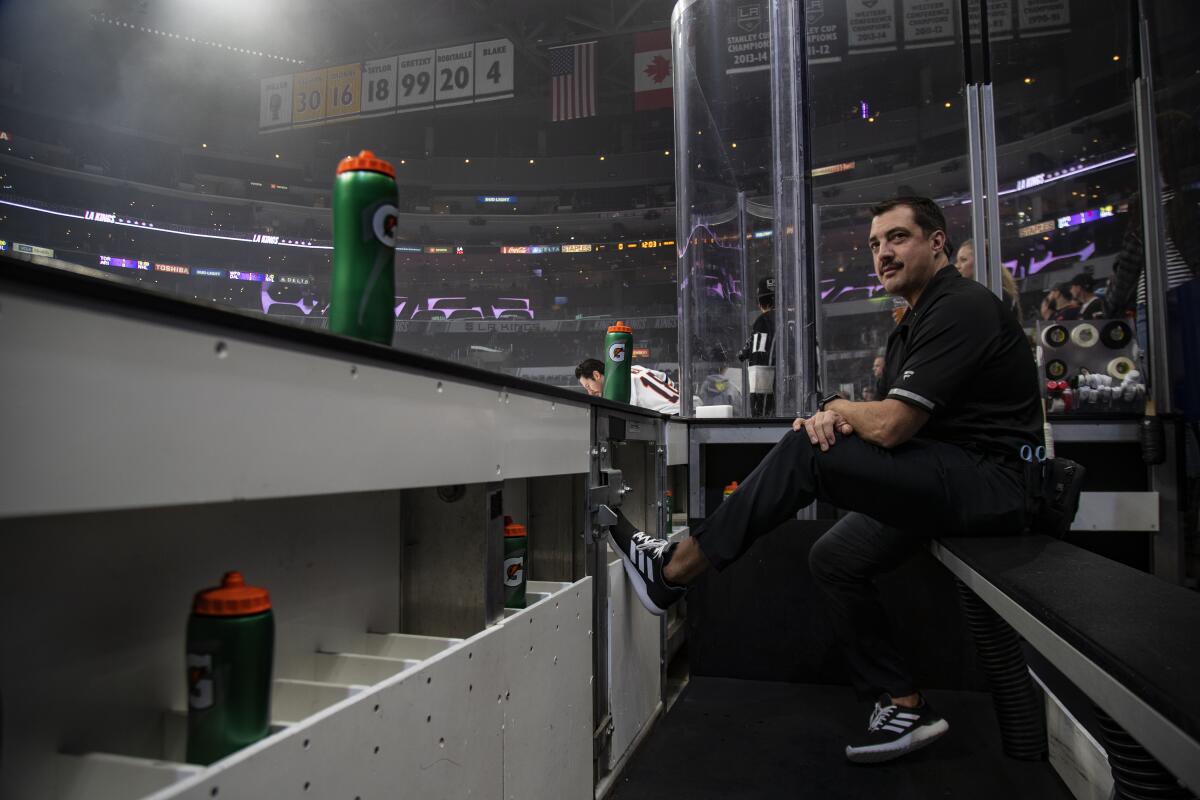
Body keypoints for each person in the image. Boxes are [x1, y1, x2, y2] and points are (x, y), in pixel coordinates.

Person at [603, 196, 1061, 764]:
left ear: (937, 241)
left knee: (809, 453)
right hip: (952, 474)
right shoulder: (910, 324)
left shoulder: (961, 306)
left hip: (996, 484)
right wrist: (835, 419)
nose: (883, 254)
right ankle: (902, 701)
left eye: (897, 238)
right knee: (834, 556)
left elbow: (892, 425)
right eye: (874, 245)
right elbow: (893, 423)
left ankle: (673, 573)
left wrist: (837, 410)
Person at [575, 357, 680, 415]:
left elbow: (629, 415)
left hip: (673, 417)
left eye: (588, 386)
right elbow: (664, 377)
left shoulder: (617, 386)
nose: (590, 392)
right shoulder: (634, 368)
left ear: (596, 375)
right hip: (685, 407)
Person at [737, 276, 777, 416]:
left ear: (760, 302)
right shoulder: (795, 319)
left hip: (772, 402)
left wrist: (758, 410)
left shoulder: (763, 322)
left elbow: (759, 366)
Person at [955, 239, 1021, 320]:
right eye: (957, 261)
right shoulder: (968, 297)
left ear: (981, 261)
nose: (957, 266)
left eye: (963, 260)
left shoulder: (1000, 295)